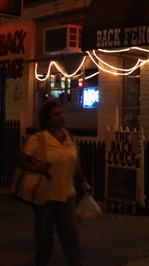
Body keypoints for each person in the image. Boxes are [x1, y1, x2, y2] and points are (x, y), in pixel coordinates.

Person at [17, 99, 91, 266]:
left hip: (67, 194)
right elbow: (21, 159)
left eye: (61, 113)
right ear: (48, 119)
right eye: (56, 114)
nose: (61, 117)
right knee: (44, 234)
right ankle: (42, 262)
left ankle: (77, 261)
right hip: (46, 195)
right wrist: (38, 168)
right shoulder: (39, 139)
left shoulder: (69, 138)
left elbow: (75, 161)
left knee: (70, 232)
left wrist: (83, 180)